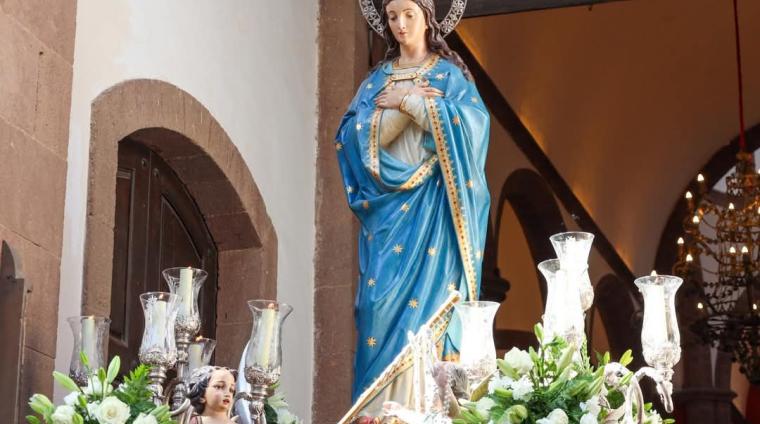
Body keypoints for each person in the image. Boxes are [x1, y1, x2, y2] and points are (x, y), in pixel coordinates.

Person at [336, 0, 490, 417]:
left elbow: (474, 129)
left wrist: (409, 102)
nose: (400, 25)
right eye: (392, 17)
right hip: (387, 217)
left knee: (431, 312)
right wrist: (409, 106)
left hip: (436, 214)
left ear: (427, 17)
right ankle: (374, 415)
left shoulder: (449, 76)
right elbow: (349, 140)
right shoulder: (375, 82)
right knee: (375, 309)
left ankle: (428, 411)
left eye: (409, 14)